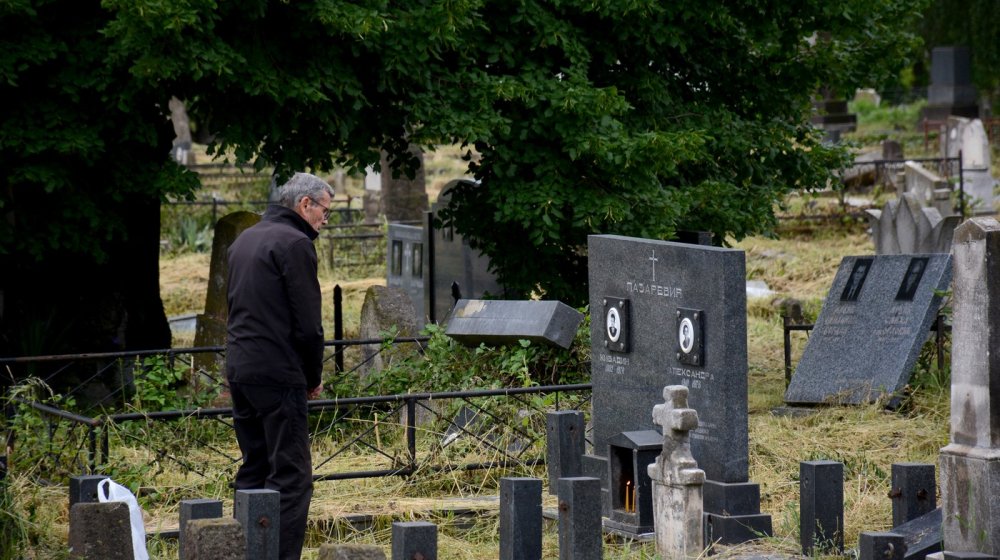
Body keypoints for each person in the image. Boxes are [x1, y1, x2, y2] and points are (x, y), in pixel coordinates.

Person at [226, 172, 333, 559]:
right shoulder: (294, 243)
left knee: (254, 468)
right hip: (277, 371)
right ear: (305, 204)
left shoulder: (245, 239)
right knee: (290, 477)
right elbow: (308, 325)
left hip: (240, 367)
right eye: (324, 210)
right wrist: (312, 376)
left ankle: (244, 550)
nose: (325, 219)